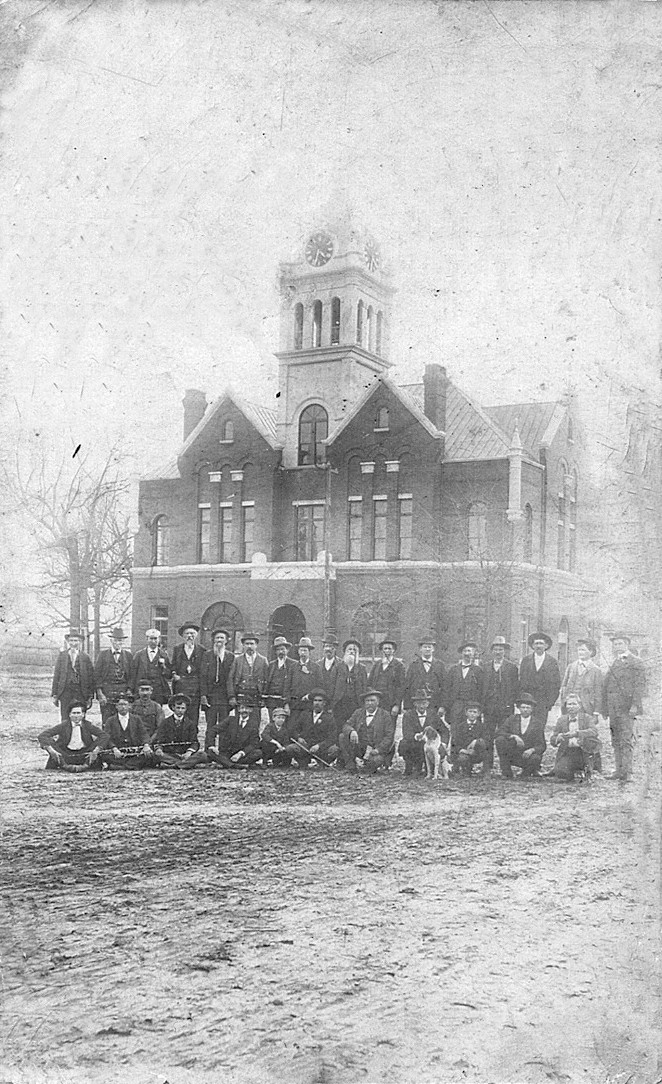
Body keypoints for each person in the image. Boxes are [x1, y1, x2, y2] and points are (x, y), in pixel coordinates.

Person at [601, 632, 647, 782]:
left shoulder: (636, 662)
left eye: (620, 643)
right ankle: (618, 770)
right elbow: (607, 686)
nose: (617, 646)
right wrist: (605, 709)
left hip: (627, 708)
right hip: (613, 708)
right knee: (615, 739)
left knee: (626, 739)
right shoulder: (615, 662)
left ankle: (626, 771)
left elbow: (640, 686)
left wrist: (634, 705)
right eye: (615, 644)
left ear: (627, 644)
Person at [482, 636, 519, 771]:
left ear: (505, 651)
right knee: (487, 736)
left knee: (504, 737)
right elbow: (482, 688)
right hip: (489, 708)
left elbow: (515, 688)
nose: (498, 652)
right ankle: (487, 765)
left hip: (505, 708)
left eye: (501, 649)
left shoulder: (511, 668)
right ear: (492, 651)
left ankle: (505, 766)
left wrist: (511, 704)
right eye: (496, 649)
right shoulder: (485, 667)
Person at [338, 689, 395, 774]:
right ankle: (351, 766)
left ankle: (374, 765)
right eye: (367, 701)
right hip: (361, 747)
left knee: (374, 763)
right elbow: (346, 725)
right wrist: (352, 731)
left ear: (378, 702)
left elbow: (389, 736)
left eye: (372, 700)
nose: (370, 703)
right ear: (364, 702)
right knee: (342, 736)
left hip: (376, 749)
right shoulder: (358, 713)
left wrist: (378, 749)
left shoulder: (385, 715)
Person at [38, 702, 107, 772]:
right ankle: (63, 764)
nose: (76, 716)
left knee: (96, 758)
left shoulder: (88, 725)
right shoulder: (63, 725)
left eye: (78, 713)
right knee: (52, 745)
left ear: (83, 714)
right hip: (66, 754)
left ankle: (86, 765)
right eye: (74, 713)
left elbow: (104, 735)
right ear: (69, 715)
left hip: (84, 754)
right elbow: (43, 735)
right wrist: (51, 750)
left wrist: (96, 750)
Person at [549, 693, 601, 782]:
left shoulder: (586, 718)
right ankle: (572, 770)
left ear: (579, 706)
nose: (571, 707)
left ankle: (587, 769)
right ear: (566, 706)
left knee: (588, 772)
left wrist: (577, 733)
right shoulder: (561, 720)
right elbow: (553, 739)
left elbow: (594, 731)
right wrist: (558, 738)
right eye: (569, 704)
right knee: (561, 773)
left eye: (574, 704)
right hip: (568, 752)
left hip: (584, 751)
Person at [399, 689, 449, 777]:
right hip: (415, 745)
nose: (421, 706)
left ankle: (429, 768)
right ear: (414, 704)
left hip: (430, 747)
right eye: (418, 703)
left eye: (424, 703)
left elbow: (444, 730)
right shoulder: (408, 715)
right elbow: (406, 733)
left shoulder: (433, 715)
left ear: (428, 704)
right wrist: (416, 736)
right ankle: (410, 766)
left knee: (430, 769)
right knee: (404, 743)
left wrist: (443, 743)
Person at [495, 693, 546, 779]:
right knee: (500, 740)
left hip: (527, 755)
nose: (525, 710)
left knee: (536, 758)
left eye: (528, 708)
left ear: (532, 709)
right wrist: (513, 736)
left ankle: (526, 773)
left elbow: (542, 745)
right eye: (523, 707)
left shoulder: (537, 723)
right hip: (513, 753)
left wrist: (532, 750)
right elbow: (500, 732)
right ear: (519, 708)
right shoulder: (512, 719)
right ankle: (506, 772)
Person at [518, 633, 561, 731]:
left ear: (546, 646)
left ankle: (538, 746)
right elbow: (521, 682)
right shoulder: (526, 660)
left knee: (539, 728)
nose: (538, 646)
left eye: (541, 643)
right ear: (532, 646)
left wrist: (549, 703)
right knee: (526, 727)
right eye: (536, 643)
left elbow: (556, 684)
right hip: (527, 701)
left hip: (543, 702)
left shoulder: (552, 662)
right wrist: (522, 700)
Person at [285, 688, 338, 768]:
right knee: (290, 748)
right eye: (315, 700)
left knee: (334, 750)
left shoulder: (329, 718)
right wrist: (298, 738)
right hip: (305, 747)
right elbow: (295, 729)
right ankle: (302, 761)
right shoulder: (304, 715)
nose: (317, 703)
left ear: (324, 703)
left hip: (320, 749)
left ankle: (322, 763)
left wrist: (319, 746)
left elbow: (332, 737)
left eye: (320, 701)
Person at [101, 692, 154, 770]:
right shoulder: (110, 720)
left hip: (134, 751)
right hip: (118, 751)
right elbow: (107, 737)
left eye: (125, 704)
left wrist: (146, 745)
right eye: (120, 705)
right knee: (104, 755)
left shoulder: (136, 719)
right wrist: (114, 748)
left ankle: (119, 766)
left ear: (129, 706)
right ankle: (132, 765)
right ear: (116, 706)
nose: (123, 707)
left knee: (149, 755)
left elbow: (143, 734)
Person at [201, 628, 235, 746]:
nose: (219, 640)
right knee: (210, 724)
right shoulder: (207, 655)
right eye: (217, 638)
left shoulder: (231, 656)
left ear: (226, 641)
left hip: (224, 696)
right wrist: (203, 695)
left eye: (222, 638)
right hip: (211, 696)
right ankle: (209, 750)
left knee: (224, 724)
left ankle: (223, 750)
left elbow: (232, 678)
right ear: (213, 640)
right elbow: (203, 676)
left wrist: (231, 696)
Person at [153, 694, 207, 769]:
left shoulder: (190, 724)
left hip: (185, 754)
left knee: (203, 755)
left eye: (183, 708)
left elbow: (195, 742)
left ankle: (177, 765)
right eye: (178, 708)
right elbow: (159, 739)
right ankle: (184, 764)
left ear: (186, 709)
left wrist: (189, 752)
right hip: (170, 754)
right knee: (156, 755)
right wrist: (159, 749)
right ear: (173, 708)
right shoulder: (165, 722)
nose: (180, 711)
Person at [51, 630, 95, 722]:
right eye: (71, 641)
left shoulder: (85, 657)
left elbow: (91, 677)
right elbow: (57, 675)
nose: (73, 643)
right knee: (65, 716)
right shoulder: (62, 656)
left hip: (80, 691)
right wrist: (54, 694)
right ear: (68, 642)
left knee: (80, 716)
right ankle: (65, 735)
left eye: (76, 641)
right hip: (65, 691)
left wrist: (90, 695)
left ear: (80, 642)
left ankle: (79, 735)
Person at [94, 627, 134, 726]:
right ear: (111, 640)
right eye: (116, 640)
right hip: (107, 693)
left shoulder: (128, 656)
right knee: (107, 720)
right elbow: (97, 675)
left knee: (122, 719)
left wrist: (129, 689)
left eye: (120, 640)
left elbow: (132, 676)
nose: (118, 643)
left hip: (123, 692)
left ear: (123, 642)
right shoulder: (103, 655)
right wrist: (100, 694)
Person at [284, 637, 322, 735]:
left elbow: (320, 686)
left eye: (305, 650)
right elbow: (287, 686)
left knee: (306, 728)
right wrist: (287, 703)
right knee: (292, 727)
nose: (303, 653)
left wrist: (310, 695)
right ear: (298, 652)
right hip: (295, 705)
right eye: (301, 650)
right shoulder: (293, 667)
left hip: (308, 705)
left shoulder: (316, 668)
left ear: (309, 652)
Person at [171, 622, 207, 725]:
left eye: (192, 633)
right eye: (187, 634)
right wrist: (174, 674)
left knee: (193, 714)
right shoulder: (177, 649)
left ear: (196, 635)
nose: (190, 636)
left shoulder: (202, 650)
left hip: (195, 687)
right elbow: (173, 665)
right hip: (181, 685)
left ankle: (193, 738)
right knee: (180, 712)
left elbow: (203, 671)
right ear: (183, 636)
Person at [212, 699, 263, 769]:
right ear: (238, 709)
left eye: (247, 708)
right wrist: (212, 745)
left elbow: (254, 743)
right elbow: (213, 730)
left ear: (251, 710)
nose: (244, 710)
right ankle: (235, 765)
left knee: (258, 753)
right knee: (211, 752)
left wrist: (240, 753)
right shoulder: (230, 720)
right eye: (242, 708)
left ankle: (227, 763)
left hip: (241, 755)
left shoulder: (253, 724)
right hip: (227, 752)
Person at [445, 642, 485, 729]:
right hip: (456, 704)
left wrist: (480, 707)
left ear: (473, 653)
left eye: (469, 651)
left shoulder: (478, 671)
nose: (467, 654)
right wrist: (447, 706)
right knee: (455, 729)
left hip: (472, 705)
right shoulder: (453, 669)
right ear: (461, 653)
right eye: (465, 651)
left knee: (472, 729)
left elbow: (481, 690)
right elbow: (447, 688)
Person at [403, 638, 446, 717]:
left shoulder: (440, 665)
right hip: (417, 703)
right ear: (420, 649)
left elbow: (444, 687)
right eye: (425, 647)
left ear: (433, 649)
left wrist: (442, 706)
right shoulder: (413, 665)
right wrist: (407, 706)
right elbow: (407, 686)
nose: (427, 649)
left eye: (429, 647)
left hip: (434, 703)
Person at [227, 634, 269, 714]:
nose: (249, 646)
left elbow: (267, 679)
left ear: (256, 645)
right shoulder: (237, 660)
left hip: (256, 696)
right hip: (241, 695)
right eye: (247, 644)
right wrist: (231, 696)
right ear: (243, 645)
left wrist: (264, 697)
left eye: (252, 644)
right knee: (240, 720)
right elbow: (230, 678)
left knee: (255, 721)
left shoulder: (263, 660)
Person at [130, 629, 173, 705]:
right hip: (143, 690)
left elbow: (169, 675)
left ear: (159, 639)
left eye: (155, 638)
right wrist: (131, 690)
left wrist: (164, 667)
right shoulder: (139, 655)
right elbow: (133, 674)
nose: (153, 641)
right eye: (151, 638)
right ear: (147, 640)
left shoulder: (164, 655)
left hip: (158, 691)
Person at [333, 639, 368, 729]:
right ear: (345, 652)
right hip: (340, 703)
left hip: (356, 703)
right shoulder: (338, 667)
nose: (352, 652)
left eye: (355, 650)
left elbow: (364, 687)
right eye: (349, 649)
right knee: (339, 725)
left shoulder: (362, 668)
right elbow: (332, 685)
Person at [367, 639, 406, 720]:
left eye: (389, 649)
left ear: (393, 650)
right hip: (377, 703)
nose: (387, 651)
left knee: (389, 729)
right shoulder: (377, 665)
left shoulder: (399, 666)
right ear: (382, 650)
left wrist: (396, 705)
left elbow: (401, 687)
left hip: (390, 704)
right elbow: (369, 683)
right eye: (385, 648)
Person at [452, 701, 489, 777]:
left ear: (478, 714)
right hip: (465, 752)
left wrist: (476, 742)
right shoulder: (460, 727)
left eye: (475, 712)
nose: (472, 714)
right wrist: (462, 750)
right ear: (466, 713)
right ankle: (466, 770)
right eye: (470, 711)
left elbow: (487, 740)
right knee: (462, 758)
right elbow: (455, 742)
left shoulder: (482, 726)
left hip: (477, 752)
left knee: (481, 742)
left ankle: (485, 770)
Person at [263, 636, 295, 719]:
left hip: (285, 701)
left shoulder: (293, 664)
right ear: (275, 652)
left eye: (283, 649)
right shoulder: (271, 665)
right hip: (272, 701)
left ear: (287, 650)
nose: (281, 652)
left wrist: (287, 701)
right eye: (278, 649)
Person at [318, 634, 346, 714]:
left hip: (336, 705)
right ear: (323, 648)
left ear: (335, 648)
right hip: (320, 703)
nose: (328, 649)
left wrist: (333, 705)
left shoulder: (341, 664)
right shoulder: (318, 665)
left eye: (331, 647)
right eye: (326, 646)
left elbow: (341, 688)